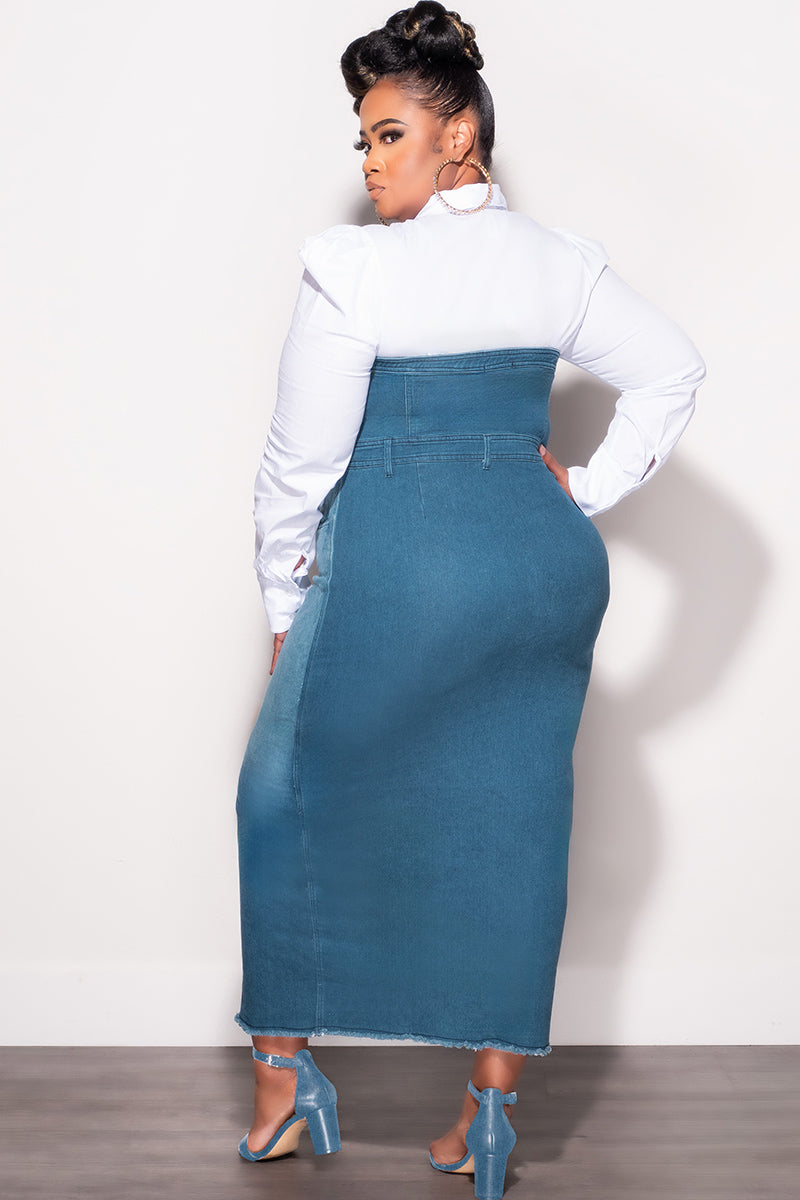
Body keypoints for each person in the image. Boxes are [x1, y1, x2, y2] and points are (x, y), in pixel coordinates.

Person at [233, 4, 706, 1198]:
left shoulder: (352, 267)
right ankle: (487, 1115)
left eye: (388, 133)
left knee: (280, 795)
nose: (369, 161)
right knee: (514, 819)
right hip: (540, 572)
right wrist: (581, 490)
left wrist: (282, 602)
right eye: (361, 140)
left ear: (458, 135)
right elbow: (672, 370)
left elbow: (299, 463)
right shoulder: (560, 260)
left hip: (403, 563)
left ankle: (283, 1083)